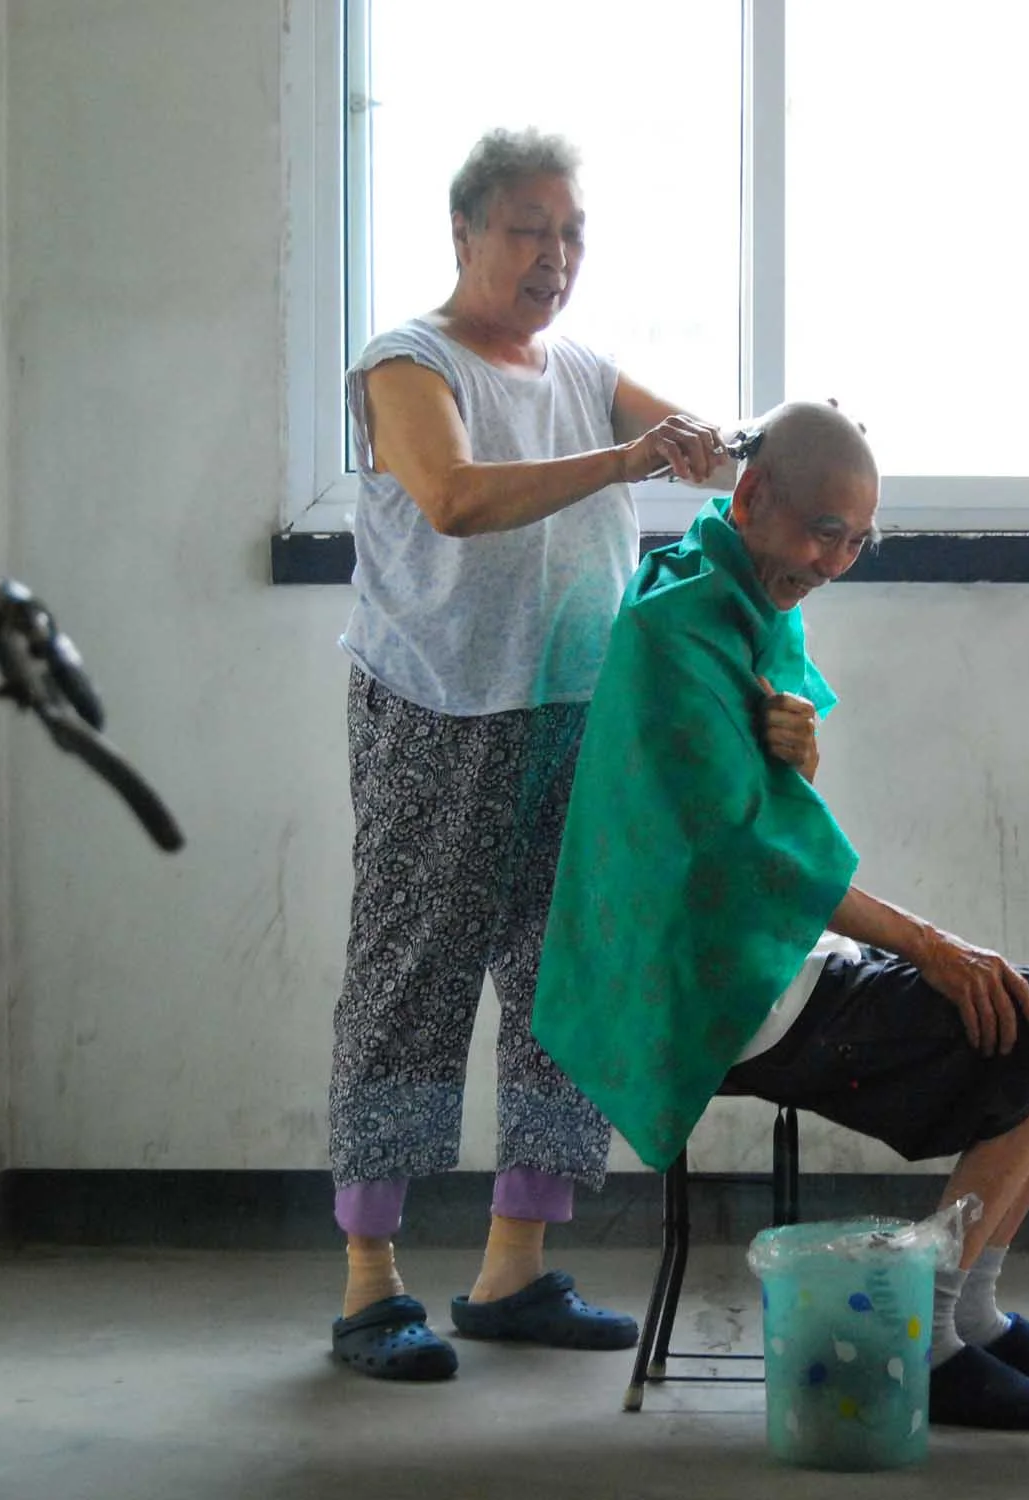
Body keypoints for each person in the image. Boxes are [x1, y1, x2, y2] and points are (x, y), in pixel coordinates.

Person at [533, 402, 1029, 1431]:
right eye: (822, 534)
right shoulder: (678, 627)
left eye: (858, 541)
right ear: (750, 497)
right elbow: (748, 853)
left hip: (761, 948)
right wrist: (930, 947)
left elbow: (772, 804)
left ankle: (971, 1308)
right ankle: (932, 1337)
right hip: (714, 987)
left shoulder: (742, 592)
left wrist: (800, 753)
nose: (836, 562)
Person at [327, 127, 735, 1382]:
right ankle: (369, 1286)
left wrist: (749, 447)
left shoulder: (585, 365)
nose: (553, 257)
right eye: (527, 231)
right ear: (464, 234)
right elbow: (453, 496)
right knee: (412, 979)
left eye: (571, 234)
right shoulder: (408, 362)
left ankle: (515, 1268)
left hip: (577, 712)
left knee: (561, 989)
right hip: (439, 709)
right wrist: (631, 460)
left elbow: (706, 446)